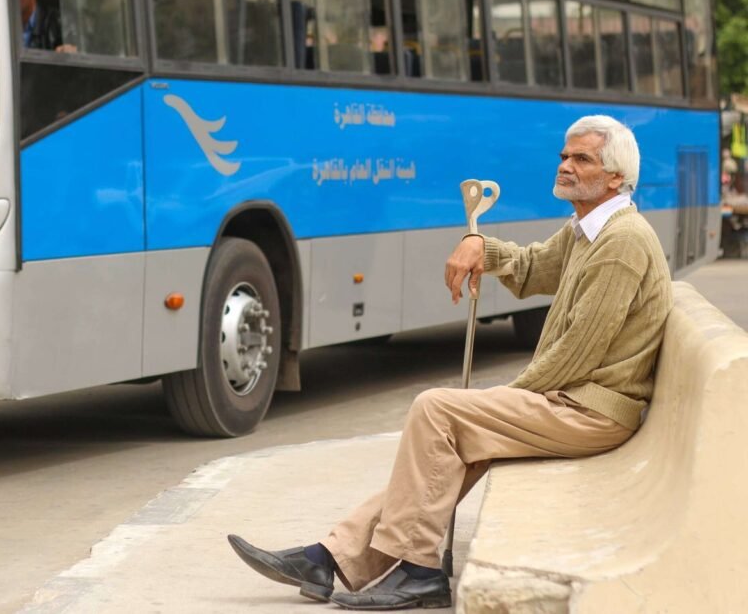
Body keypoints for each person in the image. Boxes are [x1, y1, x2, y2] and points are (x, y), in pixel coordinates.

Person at [228, 115, 674, 610]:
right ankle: (328, 557)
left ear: (616, 177)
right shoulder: (586, 231)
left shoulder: (622, 241)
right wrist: (482, 246)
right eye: (564, 156)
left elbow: (577, 353)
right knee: (445, 441)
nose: (565, 166)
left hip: (591, 411)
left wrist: (506, 395)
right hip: (572, 400)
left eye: (581, 159)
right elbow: (530, 270)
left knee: (439, 410)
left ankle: (417, 571)